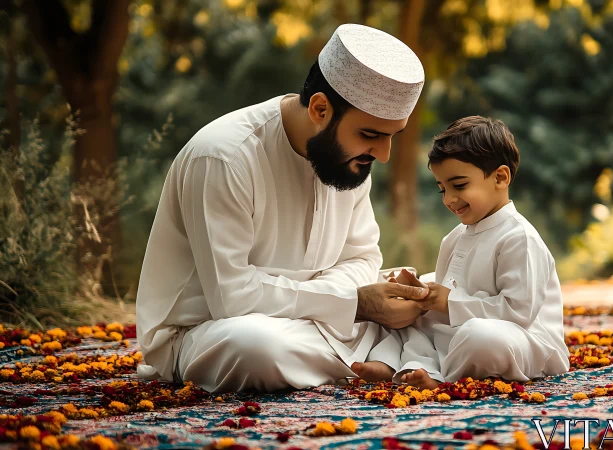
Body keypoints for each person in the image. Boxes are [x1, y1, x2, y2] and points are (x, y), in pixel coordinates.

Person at [135, 24, 428, 393]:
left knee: (428, 301)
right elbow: (232, 297)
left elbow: (361, 257)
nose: (383, 155)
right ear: (320, 109)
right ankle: (387, 358)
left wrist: (347, 302)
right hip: (210, 330)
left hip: (318, 323)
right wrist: (352, 304)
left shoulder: (348, 160)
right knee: (257, 346)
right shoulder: (224, 157)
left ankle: (370, 355)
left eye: (392, 136)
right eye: (370, 135)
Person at [391, 116, 571, 389]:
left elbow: (518, 312)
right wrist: (421, 295)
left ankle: (441, 379)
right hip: (462, 332)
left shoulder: (519, 237)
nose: (449, 199)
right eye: (442, 189)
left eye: (459, 185)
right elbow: (448, 293)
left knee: (479, 336)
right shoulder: (454, 238)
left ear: (500, 177)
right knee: (406, 318)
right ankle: (418, 368)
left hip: (526, 341)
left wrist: (450, 303)